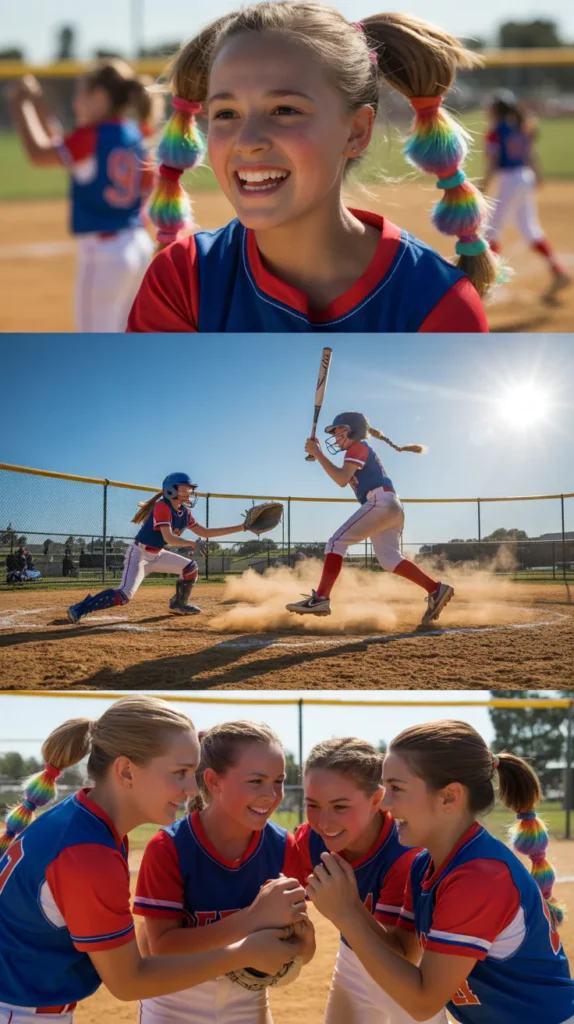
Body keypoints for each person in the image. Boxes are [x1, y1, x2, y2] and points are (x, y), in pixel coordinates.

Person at [127, 2, 495, 333]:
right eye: (226, 113)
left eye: (285, 110)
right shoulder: (183, 279)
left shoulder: (437, 304)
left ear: (357, 131)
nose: (247, 139)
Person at [0, 696, 301, 1022]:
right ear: (126, 770)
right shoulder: (89, 853)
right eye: (180, 772)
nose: (192, 788)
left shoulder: (82, 820)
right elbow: (130, 981)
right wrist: (244, 951)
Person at [306, 720, 574, 1024]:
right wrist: (352, 906)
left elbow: (422, 1002)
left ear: (449, 797)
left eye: (396, 788)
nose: (387, 803)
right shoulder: (425, 864)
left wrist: (346, 915)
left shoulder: (479, 876)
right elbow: (400, 952)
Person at [135, 721, 314, 1022]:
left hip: (249, 1004)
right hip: (174, 1001)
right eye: (256, 781)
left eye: (279, 781)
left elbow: (303, 951)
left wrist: (299, 944)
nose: (271, 795)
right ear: (214, 782)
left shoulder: (283, 846)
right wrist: (252, 920)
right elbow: (163, 947)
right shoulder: (169, 847)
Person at [296, 736, 446, 1024]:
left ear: (377, 800)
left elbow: (404, 954)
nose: (323, 822)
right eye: (312, 804)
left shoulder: (405, 855)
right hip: (352, 963)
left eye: (340, 807)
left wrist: (346, 910)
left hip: (407, 978)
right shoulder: (310, 840)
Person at [9, 62, 156, 332]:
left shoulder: (90, 137)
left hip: (104, 256)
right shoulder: (132, 132)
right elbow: (59, 143)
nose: (75, 104)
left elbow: (38, 153)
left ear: (100, 97)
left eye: (80, 95)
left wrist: (22, 105)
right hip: (138, 246)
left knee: (93, 350)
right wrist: (39, 107)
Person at [285, 413, 453, 626]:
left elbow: (341, 479)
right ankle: (436, 589)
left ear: (354, 430)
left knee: (336, 543)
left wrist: (317, 453)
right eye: (334, 432)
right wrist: (317, 454)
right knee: (388, 559)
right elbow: (343, 476)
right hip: (392, 506)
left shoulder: (357, 447)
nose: (335, 436)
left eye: (339, 430)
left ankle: (321, 598)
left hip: (380, 502)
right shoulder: (358, 449)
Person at [67, 472, 250, 623]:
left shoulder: (185, 512)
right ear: (171, 490)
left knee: (190, 568)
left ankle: (178, 604)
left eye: (190, 490)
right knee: (124, 595)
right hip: (139, 555)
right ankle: (81, 607)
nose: (189, 493)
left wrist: (243, 527)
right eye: (184, 489)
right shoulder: (162, 506)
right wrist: (192, 543)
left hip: (157, 555)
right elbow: (168, 537)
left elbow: (206, 532)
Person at [483, 89, 571, 302]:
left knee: (492, 229)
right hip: (525, 177)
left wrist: (483, 184)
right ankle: (558, 271)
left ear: (496, 110)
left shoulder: (495, 131)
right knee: (529, 228)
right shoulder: (520, 126)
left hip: (509, 180)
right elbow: (530, 154)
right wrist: (538, 175)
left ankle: (488, 282)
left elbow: (493, 162)